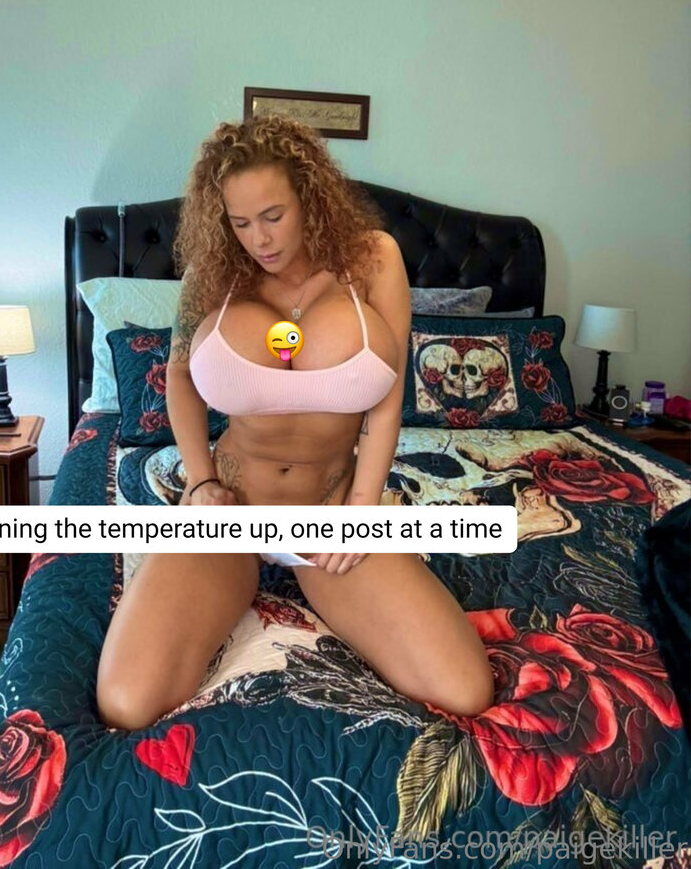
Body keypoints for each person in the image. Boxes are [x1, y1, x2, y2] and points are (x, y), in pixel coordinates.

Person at [96, 115, 494, 731]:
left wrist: (361, 510)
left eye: (273, 215)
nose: (258, 238)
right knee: (126, 702)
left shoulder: (373, 258)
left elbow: (387, 398)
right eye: (240, 222)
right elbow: (180, 378)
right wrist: (201, 484)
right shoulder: (214, 274)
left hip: (332, 506)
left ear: (309, 196)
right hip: (232, 506)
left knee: (465, 688)